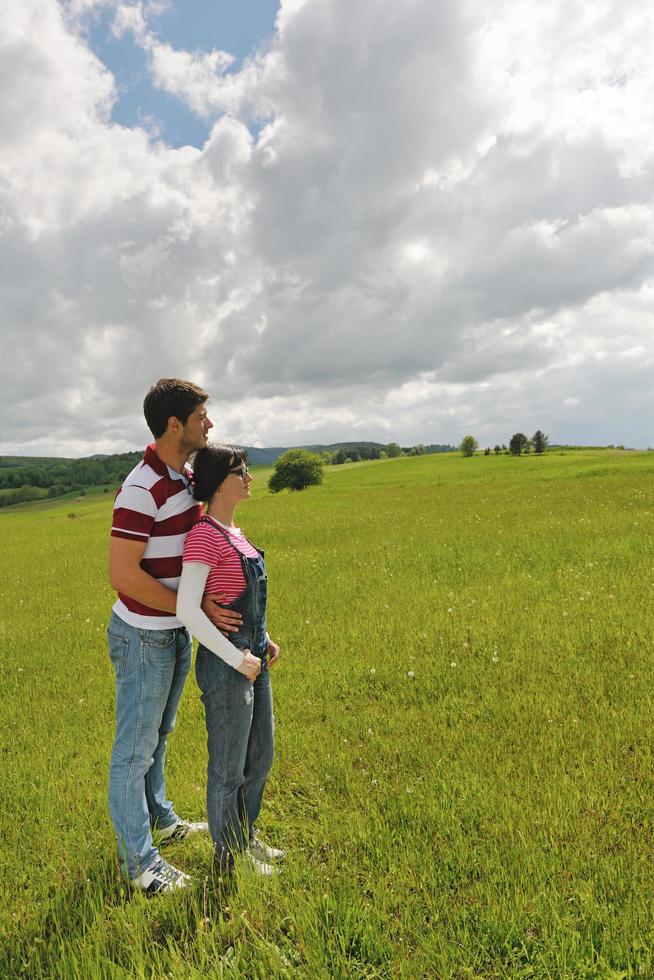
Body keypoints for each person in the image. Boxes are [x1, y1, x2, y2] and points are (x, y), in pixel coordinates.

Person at [107, 379, 242, 896]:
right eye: (203, 416)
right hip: (144, 637)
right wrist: (194, 606)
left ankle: (160, 818)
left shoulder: (184, 478)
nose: (210, 424)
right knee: (133, 752)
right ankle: (141, 864)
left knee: (159, 736)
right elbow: (123, 574)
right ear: (174, 424)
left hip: (175, 631)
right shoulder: (142, 487)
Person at [176, 444, 283, 876]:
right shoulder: (204, 535)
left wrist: (265, 639)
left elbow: (245, 601)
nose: (250, 478)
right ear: (220, 481)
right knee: (228, 767)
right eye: (243, 472)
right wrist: (236, 658)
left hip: (252, 654)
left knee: (260, 757)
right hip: (228, 664)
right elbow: (187, 609)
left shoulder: (234, 531)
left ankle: (246, 837)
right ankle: (229, 857)